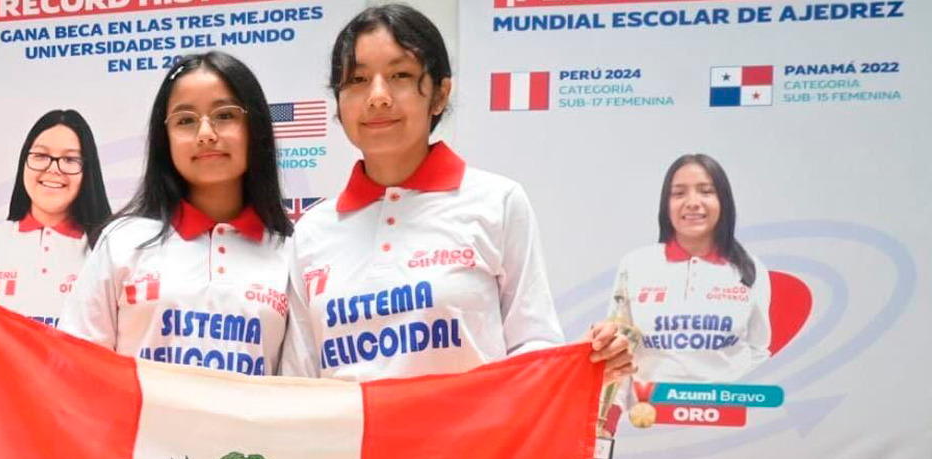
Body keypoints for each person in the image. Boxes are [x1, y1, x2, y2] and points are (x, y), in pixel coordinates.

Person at [281, 4, 632, 383]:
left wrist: (583, 363)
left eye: (400, 75)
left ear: (439, 94)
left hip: (474, 442)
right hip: (349, 443)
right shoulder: (314, 229)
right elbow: (299, 381)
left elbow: (533, 346)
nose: (377, 96)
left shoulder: (497, 202)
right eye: (357, 80)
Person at [56, 51, 293, 376]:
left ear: (256, 128)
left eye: (225, 115)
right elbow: (73, 367)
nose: (206, 134)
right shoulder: (123, 242)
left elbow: (302, 391)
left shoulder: (291, 254)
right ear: (163, 139)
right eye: (185, 120)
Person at [611, 154, 771, 426]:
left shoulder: (750, 269)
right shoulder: (636, 265)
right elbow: (618, 350)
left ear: (724, 201)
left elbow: (759, 348)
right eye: (679, 193)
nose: (693, 203)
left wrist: (730, 392)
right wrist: (612, 416)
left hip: (725, 420)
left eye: (707, 191)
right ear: (666, 204)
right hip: (649, 419)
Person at [0, 109, 111, 327]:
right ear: (23, 162)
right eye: (41, 156)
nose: (54, 169)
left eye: (70, 159)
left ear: (88, 170)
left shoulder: (106, 247)